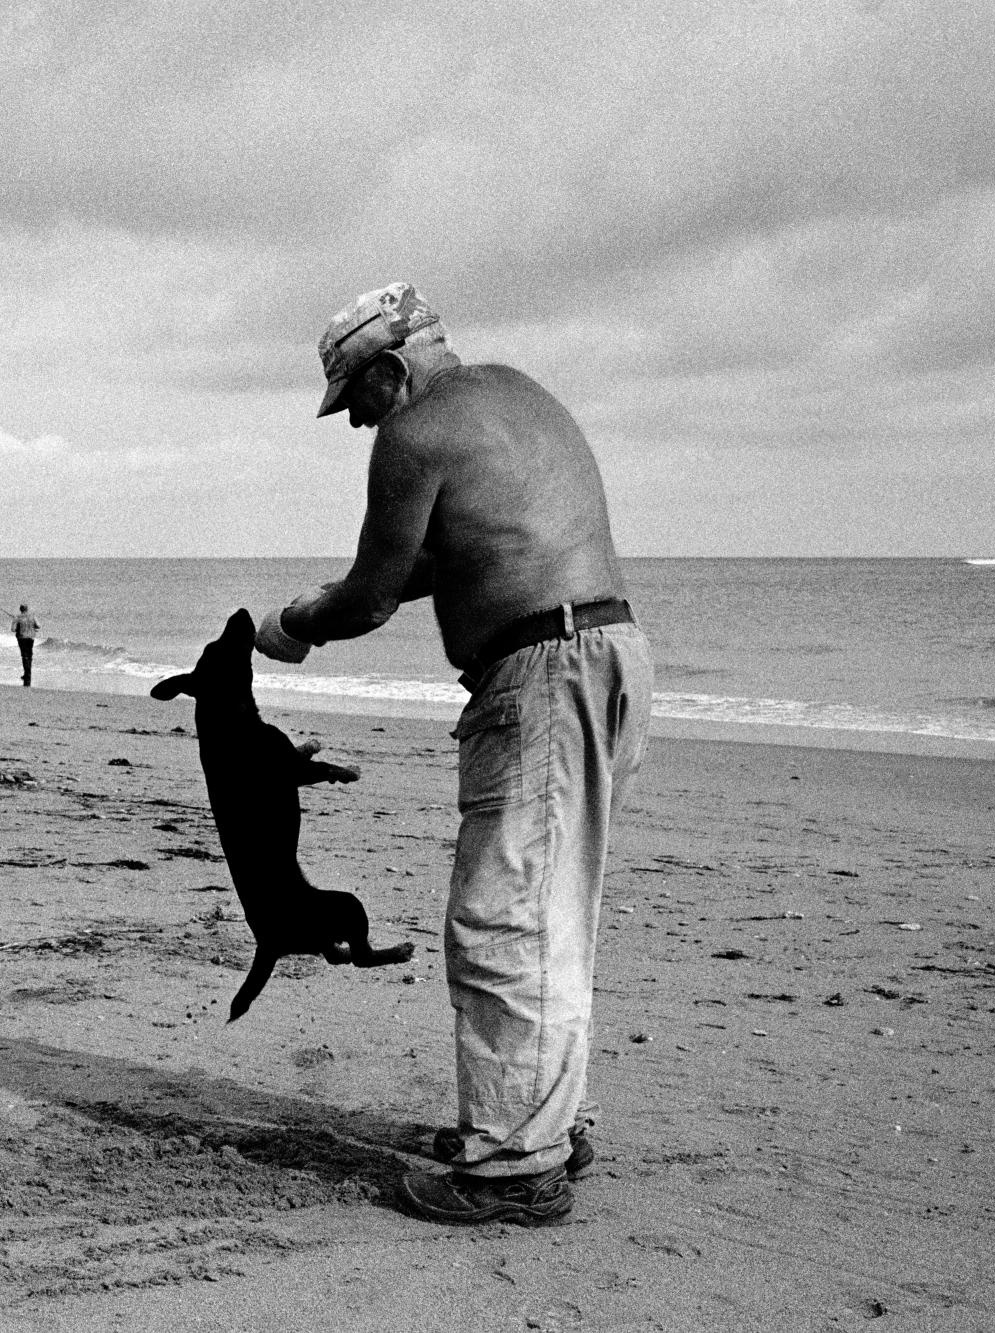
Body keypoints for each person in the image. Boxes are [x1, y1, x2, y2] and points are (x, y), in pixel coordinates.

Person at [256, 283, 653, 1227]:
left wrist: (294, 622)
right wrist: (351, 590)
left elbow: (371, 596)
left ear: (390, 370)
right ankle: (546, 1122)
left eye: (355, 400)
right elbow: (459, 553)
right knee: (553, 911)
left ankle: (514, 1166)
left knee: (498, 917)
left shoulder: (417, 427)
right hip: (613, 652)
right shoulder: (517, 394)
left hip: (541, 671)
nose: (358, 424)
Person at [10, 603, 39, 686]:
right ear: (27, 609)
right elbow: (38, 626)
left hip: (22, 638)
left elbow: (13, 629)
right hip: (31, 638)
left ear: (20, 609)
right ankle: (28, 674)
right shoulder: (33, 616)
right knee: (30, 655)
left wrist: (18, 625)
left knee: (24, 656)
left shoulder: (17, 617)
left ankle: (27, 674)